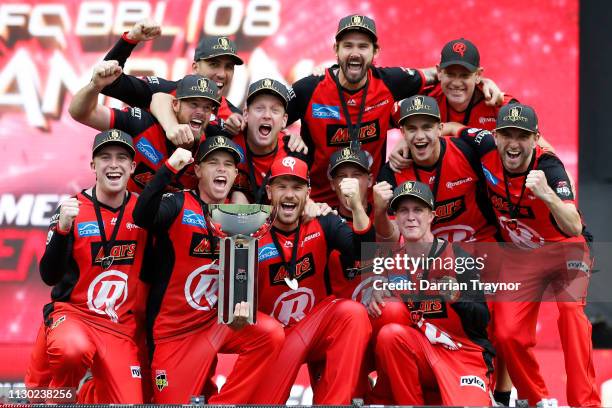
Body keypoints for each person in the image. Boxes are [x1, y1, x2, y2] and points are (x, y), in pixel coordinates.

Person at [452, 103, 600, 407]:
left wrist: (546, 194)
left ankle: (585, 404)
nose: (514, 143)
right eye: (507, 134)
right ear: (496, 135)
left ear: (535, 138)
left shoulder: (550, 168)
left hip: (565, 248)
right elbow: (451, 129)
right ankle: (538, 400)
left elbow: (573, 224)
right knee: (506, 335)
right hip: (520, 256)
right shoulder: (484, 145)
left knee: (572, 315)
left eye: (522, 136)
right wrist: (402, 150)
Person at [287, 15, 503, 207]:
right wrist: (287, 139)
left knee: (381, 251)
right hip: (318, 206)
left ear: (376, 52)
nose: (355, 53)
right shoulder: (309, 89)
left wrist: (480, 81)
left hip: (373, 204)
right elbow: (263, 122)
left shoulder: (390, 82)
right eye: (348, 46)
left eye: (363, 46)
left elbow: (439, 74)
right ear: (336, 50)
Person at [132, 135, 284, 404]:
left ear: (236, 174)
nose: (221, 169)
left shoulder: (243, 217)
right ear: (198, 170)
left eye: (228, 164)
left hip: (216, 324)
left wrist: (243, 305)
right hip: (174, 334)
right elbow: (142, 215)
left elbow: (244, 272)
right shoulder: (177, 203)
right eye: (213, 162)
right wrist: (168, 167)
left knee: (270, 334)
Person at [251, 156, 373, 404]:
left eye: (297, 187)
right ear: (269, 192)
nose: (289, 194)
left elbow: (364, 252)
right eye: (282, 186)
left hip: (315, 326)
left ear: (308, 192)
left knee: (352, 312)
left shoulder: (323, 221)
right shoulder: (252, 229)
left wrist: (358, 206)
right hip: (274, 338)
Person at [39, 130, 148, 403]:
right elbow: (48, 276)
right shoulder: (71, 209)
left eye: (122, 158)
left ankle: (89, 395)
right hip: (76, 315)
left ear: (132, 167)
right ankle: (60, 396)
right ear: (93, 166)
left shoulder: (144, 211)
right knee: (71, 350)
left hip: (119, 327)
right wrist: (63, 229)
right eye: (105, 157)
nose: (114, 164)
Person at [369, 181, 494, 406]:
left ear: (431, 216)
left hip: (461, 353)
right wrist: (377, 291)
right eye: (403, 210)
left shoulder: (458, 257)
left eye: (418, 210)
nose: (410, 217)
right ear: (395, 217)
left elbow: (482, 321)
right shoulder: (389, 260)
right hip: (422, 352)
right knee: (390, 332)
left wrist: (457, 298)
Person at [69, 62, 221, 193]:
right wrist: (95, 86)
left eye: (207, 108)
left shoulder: (211, 144)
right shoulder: (141, 123)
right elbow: (82, 113)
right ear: (175, 104)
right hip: (128, 219)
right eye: (193, 104)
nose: (200, 112)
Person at [101, 20, 245, 139]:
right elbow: (107, 82)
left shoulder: (234, 118)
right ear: (195, 67)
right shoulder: (164, 90)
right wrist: (130, 39)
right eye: (214, 64)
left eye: (229, 67)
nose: (222, 74)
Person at [231, 78, 308, 203]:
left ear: (284, 120)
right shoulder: (229, 141)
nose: (267, 115)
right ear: (246, 114)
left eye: (275, 110)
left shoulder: (294, 152)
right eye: (259, 108)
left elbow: (303, 202)